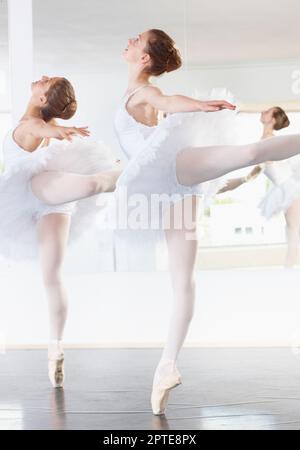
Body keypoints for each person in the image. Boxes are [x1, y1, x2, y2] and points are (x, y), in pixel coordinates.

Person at [113, 28, 300, 415]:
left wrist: (197, 105)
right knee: (182, 281)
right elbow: (162, 108)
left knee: (249, 151)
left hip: (174, 169)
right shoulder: (136, 93)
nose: (129, 41)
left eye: (137, 39)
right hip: (174, 190)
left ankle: (167, 363)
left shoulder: (143, 91)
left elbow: (166, 99)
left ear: (144, 57)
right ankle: (166, 365)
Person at [0, 75, 121, 388]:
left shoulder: (31, 125)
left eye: (45, 81)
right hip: (42, 202)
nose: (40, 78)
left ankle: (121, 173)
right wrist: (59, 129)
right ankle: (55, 346)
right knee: (51, 276)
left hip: (47, 192)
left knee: (94, 185)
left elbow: (40, 129)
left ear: (42, 100)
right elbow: (44, 129)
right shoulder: (37, 123)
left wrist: (58, 130)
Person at [220, 106, 300, 268]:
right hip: (284, 188)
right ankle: (290, 267)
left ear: (272, 119)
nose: (262, 112)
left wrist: (245, 177)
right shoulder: (264, 139)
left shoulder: (270, 139)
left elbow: (263, 164)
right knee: (292, 229)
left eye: (267, 111)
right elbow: (260, 165)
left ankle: (289, 268)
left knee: (293, 229)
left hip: (290, 188)